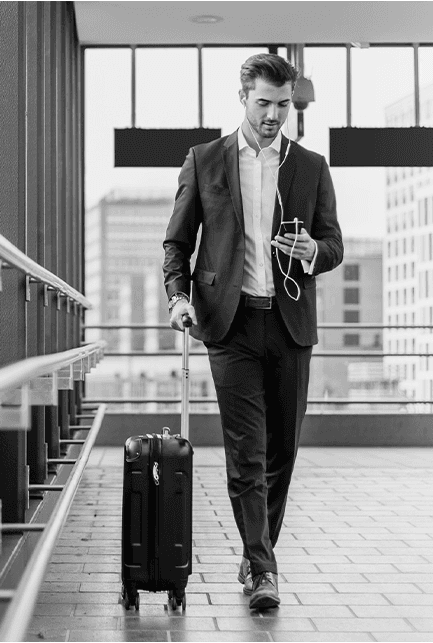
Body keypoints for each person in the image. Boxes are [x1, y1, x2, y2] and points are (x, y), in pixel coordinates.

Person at [162, 53, 343, 610]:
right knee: (246, 452)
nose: (273, 115)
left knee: (281, 452)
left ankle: (254, 549)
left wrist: (315, 251)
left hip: (289, 325)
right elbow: (177, 243)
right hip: (230, 324)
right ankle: (264, 570)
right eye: (263, 103)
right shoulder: (206, 160)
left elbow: (334, 245)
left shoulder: (310, 167)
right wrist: (178, 298)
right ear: (243, 98)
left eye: (283, 105)